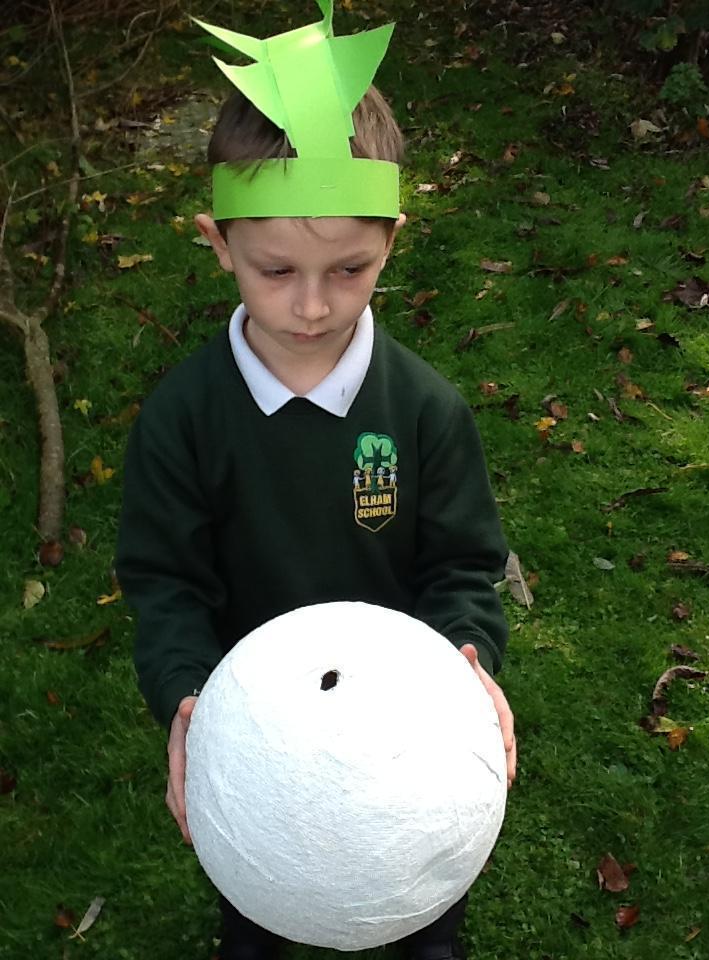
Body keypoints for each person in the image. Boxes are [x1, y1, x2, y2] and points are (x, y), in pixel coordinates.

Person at [116, 4, 516, 959]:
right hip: (255, 744)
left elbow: (463, 566)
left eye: (348, 269)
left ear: (392, 241)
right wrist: (188, 697)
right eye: (275, 269)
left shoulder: (424, 412)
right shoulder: (183, 419)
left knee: (415, 918)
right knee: (263, 914)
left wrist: (465, 656)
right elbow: (165, 584)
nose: (310, 305)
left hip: (403, 744)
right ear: (218, 242)